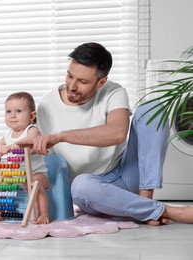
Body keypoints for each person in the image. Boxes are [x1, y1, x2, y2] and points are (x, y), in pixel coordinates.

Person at [17, 42, 193, 226]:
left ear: (101, 82)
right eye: (70, 76)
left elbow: (117, 133)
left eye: (83, 81)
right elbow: (50, 164)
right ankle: (164, 211)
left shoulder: (114, 91)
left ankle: (146, 201)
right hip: (91, 190)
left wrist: (60, 136)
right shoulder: (47, 104)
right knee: (80, 185)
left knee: (152, 109)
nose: (72, 86)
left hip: (125, 173)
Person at [0, 92, 50, 224]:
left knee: (36, 184)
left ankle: (43, 214)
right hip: (16, 175)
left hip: (36, 173)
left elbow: (30, 141)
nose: (12, 115)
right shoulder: (8, 135)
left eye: (18, 111)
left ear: (32, 116)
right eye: (8, 111)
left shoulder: (32, 130)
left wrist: (11, 147)